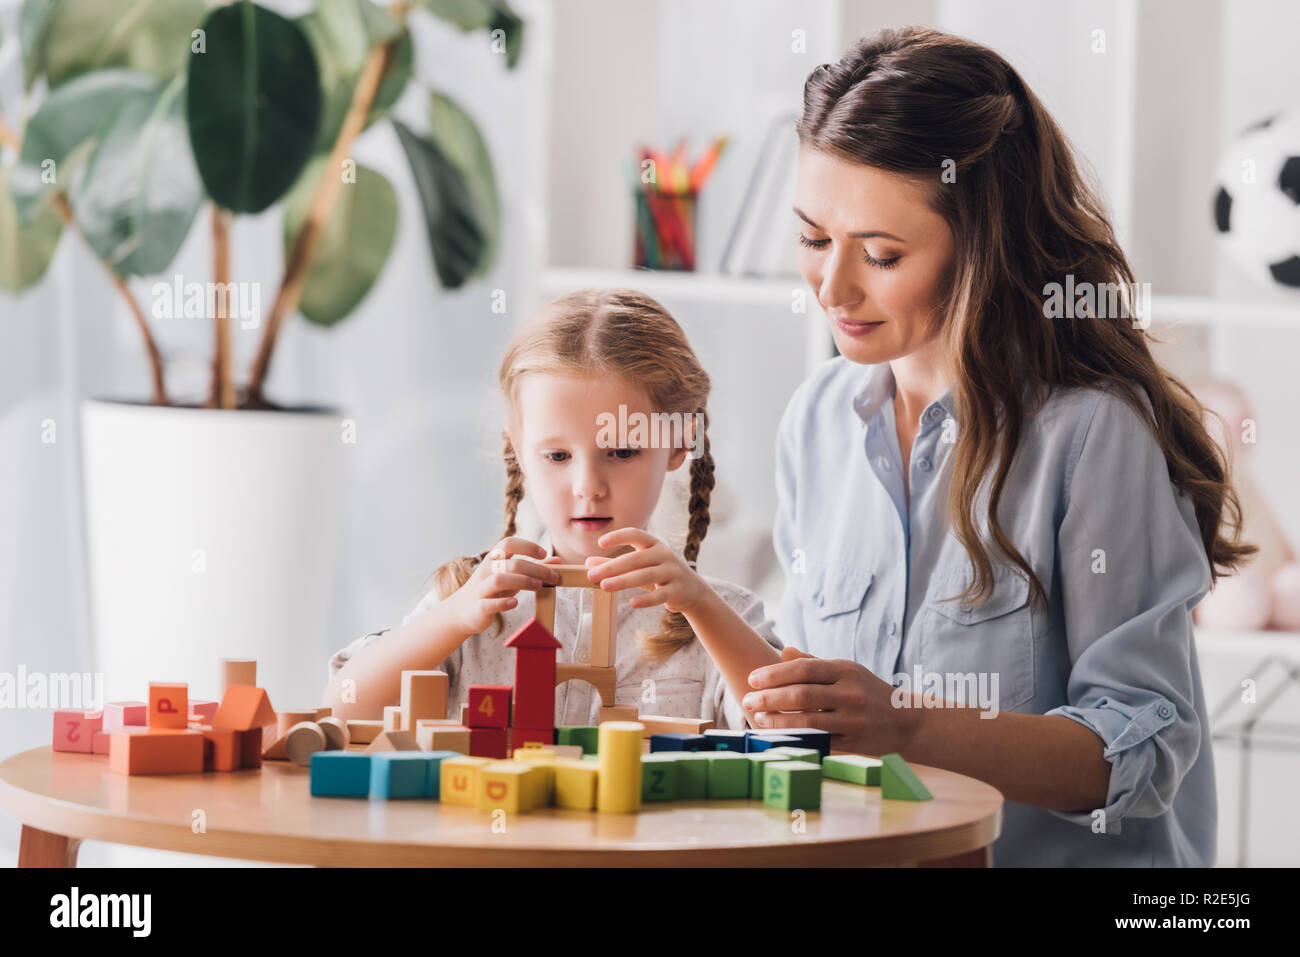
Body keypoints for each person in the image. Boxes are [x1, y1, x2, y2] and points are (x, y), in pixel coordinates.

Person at [742, 25, 1254, 865]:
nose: (832, 287)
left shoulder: (1090, 436)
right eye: (811, 238)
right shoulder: (816, 420)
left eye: (880, 253)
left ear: (980, 244)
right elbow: (815, 717)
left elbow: (1140, 752)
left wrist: (903, 723)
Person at [321, 289, 783, 730]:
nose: (588, 487)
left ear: (678, 445)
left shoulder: (724, 615)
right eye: (558, 456)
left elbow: (789, 724)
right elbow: (344, 708)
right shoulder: (470, 602)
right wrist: (456, 617)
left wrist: (700, 604)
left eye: (622, 453)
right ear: (518, 450)